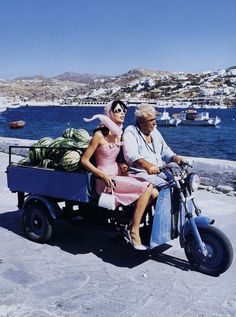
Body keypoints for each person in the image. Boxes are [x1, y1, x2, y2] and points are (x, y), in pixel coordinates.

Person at [81, 100, 158, 250]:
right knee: (147, 187)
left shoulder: (119, 133)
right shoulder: (99, 135)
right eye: (118, 110)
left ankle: (130, 225)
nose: (122, 113)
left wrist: (122, 164)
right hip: (104, 180)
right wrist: (102, 175)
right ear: (109, 113)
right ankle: (134, 231)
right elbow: (84, 161)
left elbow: (118, 157)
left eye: (124, 110)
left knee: (154, 192)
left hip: (117, 175)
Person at [122, 104, 183, 188]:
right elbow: (131, 155)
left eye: (155, 119)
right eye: (151, 120)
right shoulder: (130, 132)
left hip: (159, 171)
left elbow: (164, 150)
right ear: (141, 122)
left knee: (180, 183)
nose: (154, 123)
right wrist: (147, 166)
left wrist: (174, 157)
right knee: (166, 187)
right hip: (141, 173)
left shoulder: (154, 131)